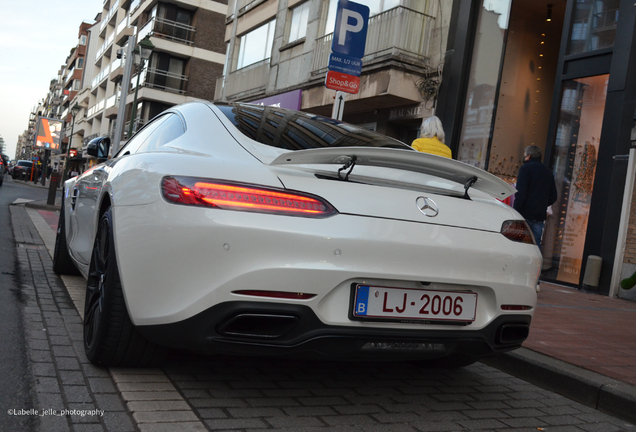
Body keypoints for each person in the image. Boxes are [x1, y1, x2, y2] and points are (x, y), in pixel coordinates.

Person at [514, 145, 558, 252]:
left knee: (520, 242)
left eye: (525, 155)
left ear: (528, 156)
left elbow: (521, 193)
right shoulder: (548, 172)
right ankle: (535, 266)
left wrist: (516, 211)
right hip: (539, 216)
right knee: (535, 243)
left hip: (524, 214)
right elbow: (553, 196)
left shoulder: (525, 169)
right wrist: (541, 204)